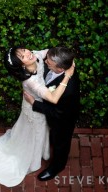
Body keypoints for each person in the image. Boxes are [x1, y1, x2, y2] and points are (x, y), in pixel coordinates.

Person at [0, 47, 75, 187]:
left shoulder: (36, 56)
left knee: (54, 134)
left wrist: (67, 60)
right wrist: (67, 75)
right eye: (23, 56)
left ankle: (56, 163)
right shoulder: (30, 81)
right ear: (22, 65)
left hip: (48, 108)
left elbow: (50, 51)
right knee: (36, 131)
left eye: (24, 50)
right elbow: (52, 97)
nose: (28, 53)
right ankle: (34, 158)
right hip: (34, 110)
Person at [23, 46, 80, 181]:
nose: (45, 61)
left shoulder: (68, 91)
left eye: (49, 61)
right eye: (47, 57)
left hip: (63, 119)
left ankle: (57, 166)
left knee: (60, 142)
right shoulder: (57, 62)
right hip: (53, 108)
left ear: (60, 69)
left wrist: (34, 103)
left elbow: (56, 112)